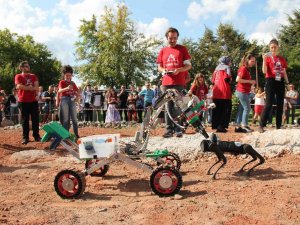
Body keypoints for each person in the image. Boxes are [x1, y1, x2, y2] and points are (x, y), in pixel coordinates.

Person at [157, 27, 192, 138]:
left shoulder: (182, 49)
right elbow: (159, 67)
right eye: (170, 38)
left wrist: (179, 70)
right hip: (166, 82)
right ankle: (168, 130)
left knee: (178, 106)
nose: (172, 40)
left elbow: (188, 65)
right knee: (168, 106)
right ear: (167, 37)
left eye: (175, 38)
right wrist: (164, 70)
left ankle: (178, 129)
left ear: (177, 38)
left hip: (179, 82)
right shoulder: (163, 50)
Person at [259, 39, 289, 133]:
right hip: (270, 80)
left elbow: (284, 71)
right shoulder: (267, 58)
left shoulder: (281, 58)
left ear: (278, 47)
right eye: (271, 47)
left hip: (280, 81)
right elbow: (264, 71)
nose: (273, 49)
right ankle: (261, 125)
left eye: (275, 47)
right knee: (269, 103)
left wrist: (287, 83)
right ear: (269, 48)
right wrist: (264, 60)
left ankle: (278, 125)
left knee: (280, 104)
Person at [14, 61, 41, 144]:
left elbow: (37, 87)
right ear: (21, 68)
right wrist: (30, 88)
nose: (27, 67)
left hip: (33, 101)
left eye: (28, 66)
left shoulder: (33, 76)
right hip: (23, 101)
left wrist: (28, 88)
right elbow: (19, 86)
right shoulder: (18, 76)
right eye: (25, 66)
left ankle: (36, 136)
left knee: (35, 119)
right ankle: (25, 138)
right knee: (25, 120)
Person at [234, 53, 257, 133]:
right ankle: (244, 125)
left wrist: (250, 83)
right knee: (247, 108)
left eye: (254, 61)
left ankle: (238, 125)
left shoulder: (247, 69)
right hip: (242, 91)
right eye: (252, 61)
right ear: (247, 60)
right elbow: (237, 79)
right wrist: (250, 81)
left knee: (242, 109)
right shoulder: (243, 68)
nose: (253, 63)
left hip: (244, 91)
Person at [211, 56, 232, 133]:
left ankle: (216, 126)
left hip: (216, 92)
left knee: (216, 110)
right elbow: (228, 79)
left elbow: (212, 81)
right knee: (225, 110)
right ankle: (222, 126)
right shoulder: (227, 68)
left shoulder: (216, 69)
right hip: (224, 93)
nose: (230, 63)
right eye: (229, 61)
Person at [58, 65, 80, 138]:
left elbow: (77, 92)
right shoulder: (62, 82)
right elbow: (59, 91)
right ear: (64, 75)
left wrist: (77, 96)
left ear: (71, 75)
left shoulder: (73, 83)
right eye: (66, 75)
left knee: (74, 119)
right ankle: (65, 135)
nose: (68, 77)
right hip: (64, 99)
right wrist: (67, 88)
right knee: (66, 119)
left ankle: (76, 134)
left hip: (72, 100)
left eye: (69, 75)